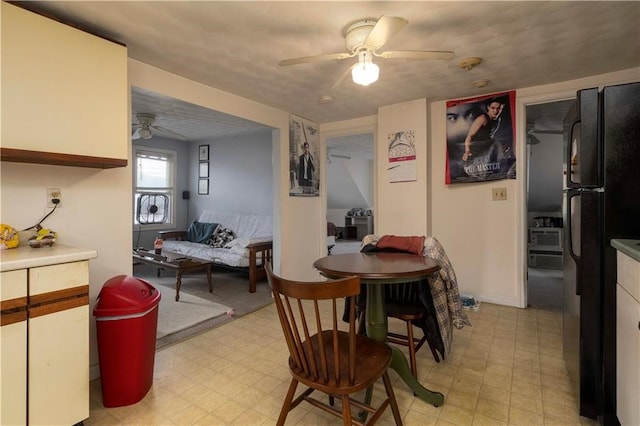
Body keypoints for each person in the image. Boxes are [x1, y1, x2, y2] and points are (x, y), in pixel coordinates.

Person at [461, 97, 506, 162]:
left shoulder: (498, 119)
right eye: (493, 108)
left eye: (498, 108)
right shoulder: (483, 118)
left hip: (486, 150)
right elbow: (469, 136)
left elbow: (489, 137)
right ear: (488, 107)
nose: (496, 111)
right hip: (476, 152)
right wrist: (467, 151)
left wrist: (499, 147)